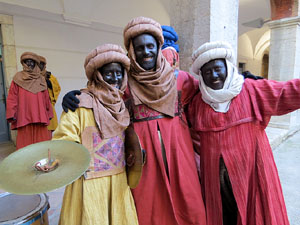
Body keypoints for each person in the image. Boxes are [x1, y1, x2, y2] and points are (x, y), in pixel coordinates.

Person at [62, 17, 206, 225]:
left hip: (179, 152)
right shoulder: (125, 83)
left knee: (190, 204)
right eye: (139, 48)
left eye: (150, 46)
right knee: (148, 207)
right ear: (131, 51)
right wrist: (79, 94)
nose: (146, 52)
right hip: (143, 156)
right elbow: (103, 95)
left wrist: (243, 81)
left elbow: (208, 94)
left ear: (158, 47)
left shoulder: (181, 79)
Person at [188, 41, 299, 225]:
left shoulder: (251, 90)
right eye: (207, 72)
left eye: (217, 69)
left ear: (227, 67)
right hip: (216, 183)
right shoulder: (197, 104)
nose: (214, 76)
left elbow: (287, 92)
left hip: (251, 176)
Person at [52, 44, 138, 225]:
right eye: (108, 73)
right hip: (88, 184)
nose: (114, 78)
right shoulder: (79, 104)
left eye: (118, 73)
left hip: (118, 180)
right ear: (97, 75)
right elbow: (64, 139)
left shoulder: (122, 105)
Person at [6, 52, 53, 150]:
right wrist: (12, 113)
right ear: (23, 63)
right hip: (24, 116)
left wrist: (49, 113)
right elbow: (12, 97)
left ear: (35, 63)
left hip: (40, 117)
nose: (29, 64)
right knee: (25, 147)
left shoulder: (41, 79)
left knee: (42, 146)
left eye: (31, 62)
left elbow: (46, 98)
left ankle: (42, 164)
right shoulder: (17, 78)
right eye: (26, 62)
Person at [38, 55, 61, 137]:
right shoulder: (32, 77)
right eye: (39, 64)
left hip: (49, 106)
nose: (40, 66)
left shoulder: (50, 76)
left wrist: (50, 84)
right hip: (37, 107)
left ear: (45, 65)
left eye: (42, 64)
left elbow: (58, 88)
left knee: (49, 128)